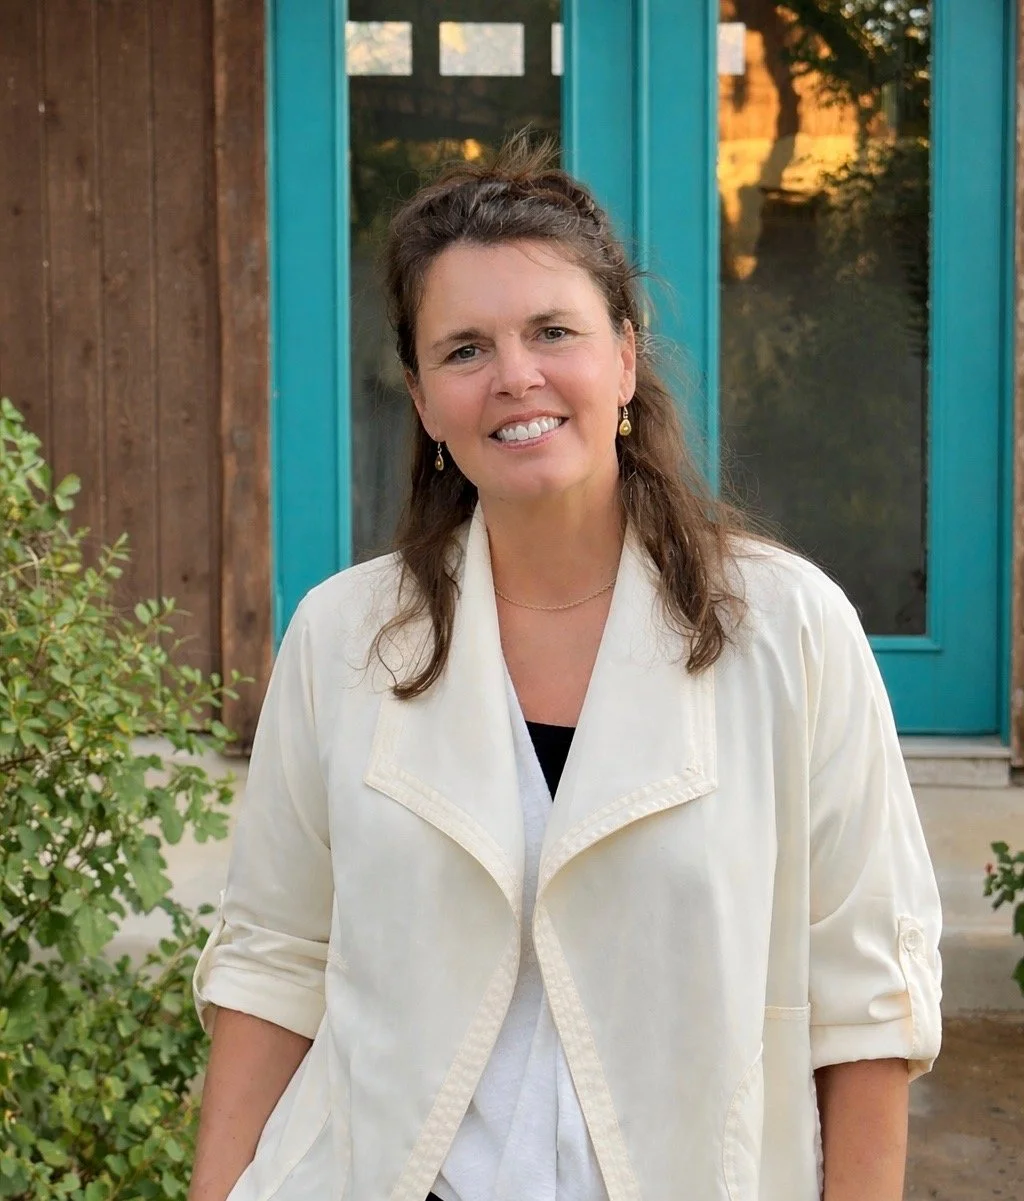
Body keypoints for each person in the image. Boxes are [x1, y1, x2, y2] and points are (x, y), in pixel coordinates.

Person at [188, 139, 942, 1201]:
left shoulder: (789, 631)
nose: (515, 376)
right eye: (464, 349)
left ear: (624, 359)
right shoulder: (339, 638)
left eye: (553, 331)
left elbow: (867, 1000)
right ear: (423, 400)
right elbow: (272, 962)